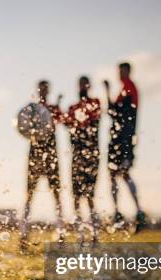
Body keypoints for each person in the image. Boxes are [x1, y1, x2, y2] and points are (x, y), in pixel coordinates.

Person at [20, 80, 65, 251]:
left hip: (51, 153)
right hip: (35, 153)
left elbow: (61, 121)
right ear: (38, 90)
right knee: (29, 194)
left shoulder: (53, 108)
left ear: (49, 90)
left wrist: (58, 107)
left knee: (57, 194)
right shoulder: (32, 110)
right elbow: (24, 127)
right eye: (42, 88)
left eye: (46, 88)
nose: (44, 91)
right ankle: (24, 234)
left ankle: (61, 233)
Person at [103, 62, 146, 230]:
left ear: (128, 71)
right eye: (119, 71)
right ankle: (119, 213)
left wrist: (107, 93)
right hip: (119, 139)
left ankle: (137, 212)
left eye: (123, 71)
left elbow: (116, 111)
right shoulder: (123, 89)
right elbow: (113, 111)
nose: (120, 73)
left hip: (124, 140)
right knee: (114, 175)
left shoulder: (130, 88)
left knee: (123, 173)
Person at [65, 76, 101, 243]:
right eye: (80, 84)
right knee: (77, 196)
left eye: (85, 84)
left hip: (91, 155)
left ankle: (94, 233)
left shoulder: (95, 103)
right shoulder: (73, 107)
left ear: (89, 85)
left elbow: (94, 123)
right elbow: (68, 124)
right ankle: (80, 235)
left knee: (90, 196)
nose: (82, 87)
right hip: (77, 155)